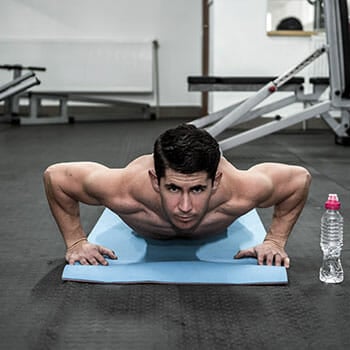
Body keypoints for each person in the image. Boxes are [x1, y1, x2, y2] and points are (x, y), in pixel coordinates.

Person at [43, 124, 311, 268]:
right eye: (173, 188)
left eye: (197, 189)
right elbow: (56, 177)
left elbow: (299, 179)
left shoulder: (240, 191)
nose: (185, 207)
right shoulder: (124, 190)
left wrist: (274, 241)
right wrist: (76, 242)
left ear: (215, 182)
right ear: (155, 181)